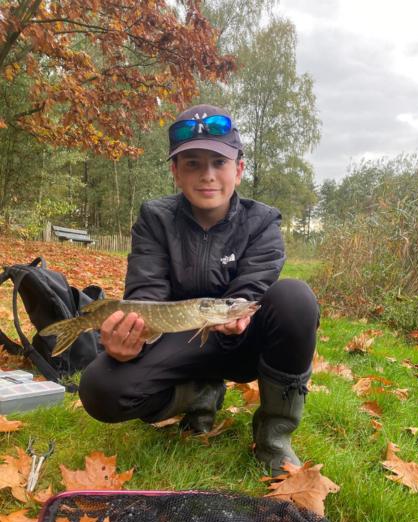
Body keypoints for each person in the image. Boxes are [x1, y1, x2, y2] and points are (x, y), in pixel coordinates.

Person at [79, 104, 319, 476]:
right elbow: (147, 294)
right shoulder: (155, 218)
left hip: (242, 344)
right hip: (177, 342)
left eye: (219, 162)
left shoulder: (263, 221)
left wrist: (238, 316)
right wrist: (129, 341)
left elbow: (251, 288)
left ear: (239, 169)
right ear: (176, 172)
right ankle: (200, 394)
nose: (207, 175)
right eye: (192, 164)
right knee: (100, 389)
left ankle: (275, 437)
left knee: (296, 299)